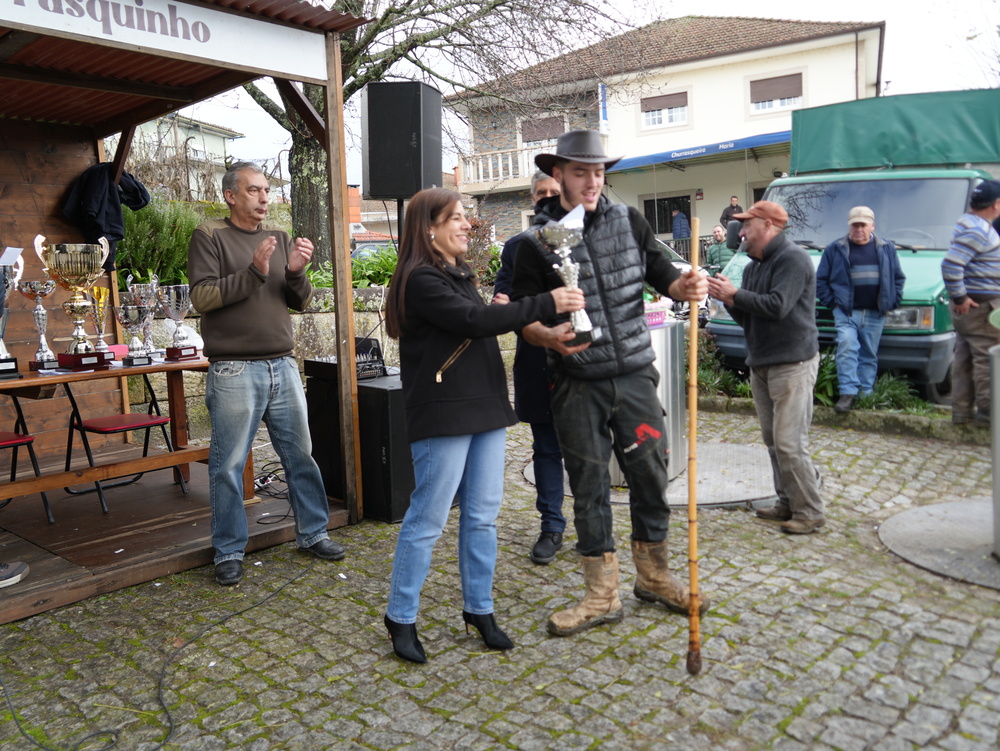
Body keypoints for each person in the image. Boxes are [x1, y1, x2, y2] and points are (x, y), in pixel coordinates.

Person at [511, 129, 709, 637]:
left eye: (599, 171)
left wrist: (683, 285)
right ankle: (601, 595)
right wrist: (547, 338)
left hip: (636, 377)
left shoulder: (630, 220)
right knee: (590, 487)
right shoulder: (535, 243)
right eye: (581, 172)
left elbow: (662, 272)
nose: (593, 181)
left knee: (650, 476)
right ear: (558, 175)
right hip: (577, 383)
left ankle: (655, 576)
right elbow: (522, 318)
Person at [383, 187, 583, 663]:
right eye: (456, 218)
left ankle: (480, 608)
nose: (467, 225)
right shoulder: (419, 279)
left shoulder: (456, 274)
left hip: (486, 409)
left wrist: (525, 321)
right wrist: (547, 301)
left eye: (466, 218)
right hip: (445, 414)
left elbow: (481, 318)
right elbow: (475, 321)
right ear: (428, 227)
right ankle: (401, 615)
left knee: (482, 517)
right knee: (428, 520)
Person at [188, 162, 346, 587]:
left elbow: (301, 302)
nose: (264, 198)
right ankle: (228, 551)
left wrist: (295, 272)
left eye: (267, 190)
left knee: (301, 456)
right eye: (255, 190)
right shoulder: (209, 235)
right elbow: (201, 297)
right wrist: (254, 272)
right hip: (234, 368)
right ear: (231, 195)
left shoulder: (277, 238)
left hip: (283, 364)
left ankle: (312, 533)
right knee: (228, 465)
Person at [706, 201, 826, 535]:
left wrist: (735, 295)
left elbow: (777, 306)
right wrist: (729, 300)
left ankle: (812, 511)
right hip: (762, 363)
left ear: (768, 227)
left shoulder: (794, 259)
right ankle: (787, 501)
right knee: (773, 441)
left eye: (747, 225)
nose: (741, 232)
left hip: (793, 363)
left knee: (789, 442)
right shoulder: (751, 268)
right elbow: (749, 319)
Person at [494, 171, 567, 565]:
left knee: (588, 449)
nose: (548, 201)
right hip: (537, 360)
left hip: (583, 362)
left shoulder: (591, 240)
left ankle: (593, 525)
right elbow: (504, 293)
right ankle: (552, 526)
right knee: (546, 449)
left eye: (554, 194)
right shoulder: (518, 245)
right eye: (541, 195)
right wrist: (504, 307)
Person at [817, 206, 905, 413]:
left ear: (872, 226)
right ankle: (848, 393)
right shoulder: (835, 248)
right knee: (847, 348)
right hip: (847, 312)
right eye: (854, 225)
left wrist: (892, 301)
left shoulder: (886, 248)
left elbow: (897, 278)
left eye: (862, 225)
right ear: (849, 226)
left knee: (869, 354)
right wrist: (834, 303)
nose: (858, 229)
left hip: (876, 313)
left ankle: (866, 395)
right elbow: (820, 280)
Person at [942, 179, 1000, 424]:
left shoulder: (968, 222)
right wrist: (961, 297)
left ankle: (962, 412)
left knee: (965, 357)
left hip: (974, 306)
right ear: (997, 204)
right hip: (982, 306)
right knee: (988, 359)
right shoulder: (979, 230)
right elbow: (951, 265)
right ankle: (989, 415)